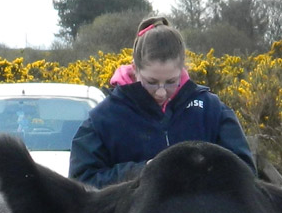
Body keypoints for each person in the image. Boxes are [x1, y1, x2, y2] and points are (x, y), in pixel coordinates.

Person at [69, 18, 254, 187]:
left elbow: (245, 173)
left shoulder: (212, 110)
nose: (161, 92)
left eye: (172, 82)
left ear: (183, 69)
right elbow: (82, 183)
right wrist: (143, 172)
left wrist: (201, 171)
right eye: (151, 82)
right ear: (135, 69)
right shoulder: (103, 118)